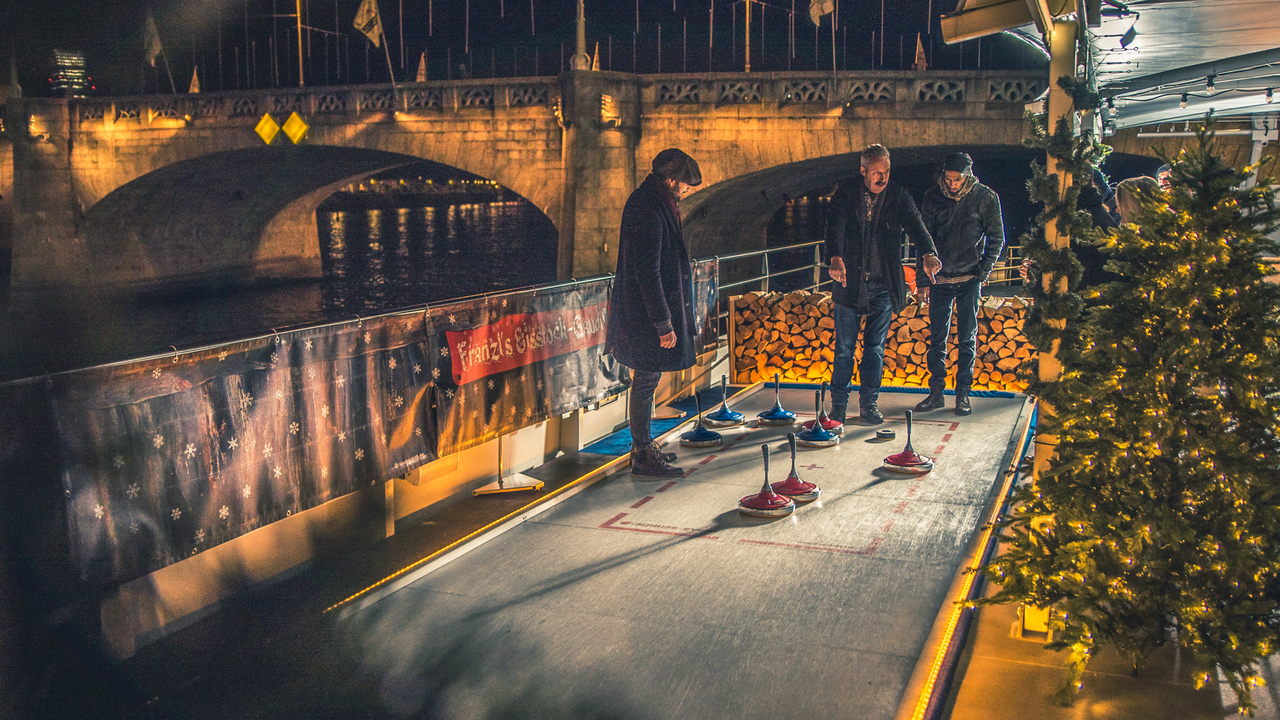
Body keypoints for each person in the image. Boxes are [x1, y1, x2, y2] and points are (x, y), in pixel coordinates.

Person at [826, 144, 941, 425]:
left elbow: (916, 225)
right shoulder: (846, 194)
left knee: (874, 348)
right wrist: (835, 257)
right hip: (849, 283)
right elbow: (834, 227)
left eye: (886, 172)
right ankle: (838, 407)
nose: (882, 178)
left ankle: (869, 405)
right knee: (844, 349)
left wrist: (928, 253)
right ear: (863, 171)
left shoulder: (898, 196)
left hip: (883, 286)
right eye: (877, 172)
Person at [605, 148, 702, 478]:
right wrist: (663, 322)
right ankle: (642, 452)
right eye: (686, 186)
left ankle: (644, 446)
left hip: (644, 311)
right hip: (644, 316)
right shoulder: (649, 206)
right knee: (645, 379)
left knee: (648, 377)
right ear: (673, 181)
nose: (687, 193)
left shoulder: (654, 200)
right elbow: (648, 269)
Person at [915, 152, 1006, 416]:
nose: (952, 184)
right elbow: (923, 239)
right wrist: (923, 281)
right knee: (937, 340)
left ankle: (963, 395)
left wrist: (982, 272)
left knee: (967, 338)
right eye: (948, 179)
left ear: (967, 175)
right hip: (939, 279)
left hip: (969, 278)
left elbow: (996, 239)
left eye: (957, 180)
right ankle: (936, 393)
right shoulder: (933, 196)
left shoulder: (985, 197)